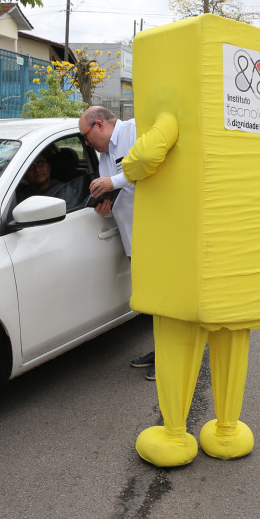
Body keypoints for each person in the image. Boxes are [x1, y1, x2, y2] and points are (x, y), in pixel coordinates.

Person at [78, 106, 156, 380]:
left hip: (156, 236)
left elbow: (153, 168)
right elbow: (117, 197)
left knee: (165, 301)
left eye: (85, 136)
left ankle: (173, 358)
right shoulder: (103, 156)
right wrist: (105, 208)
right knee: (151, 303)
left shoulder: (135, 131)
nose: (86, 143)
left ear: (98, 124)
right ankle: (161, 350)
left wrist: (113, 180)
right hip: (132, 239)